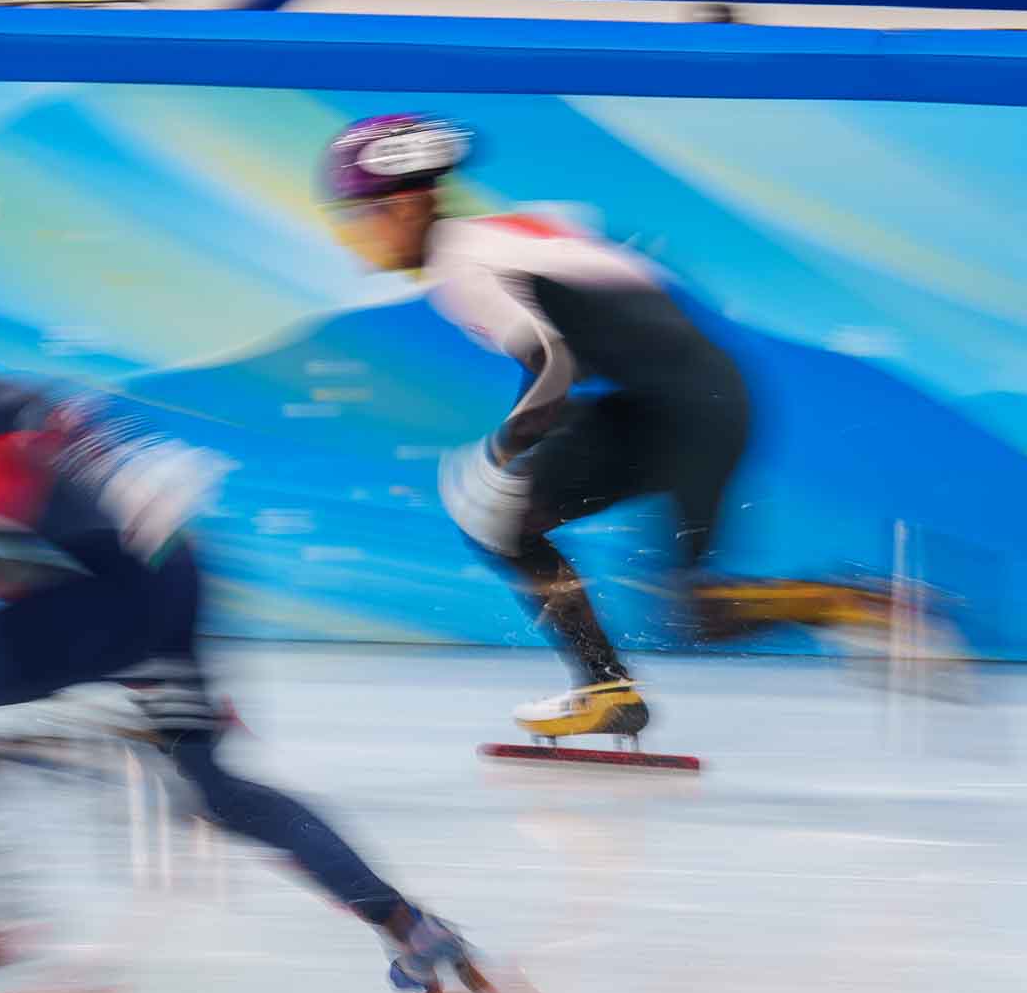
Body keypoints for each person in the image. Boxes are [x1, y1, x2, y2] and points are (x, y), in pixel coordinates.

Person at [0, 272, 492, 993]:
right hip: (157, 577)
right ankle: (409, 926)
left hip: (121, 587)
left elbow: (43, 407)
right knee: (212, 784)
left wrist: (121, 466)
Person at [319, 113, 896, 742]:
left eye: (357, 217)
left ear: (403, 207)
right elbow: (607, 319)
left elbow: (553, 366)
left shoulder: (463, 267)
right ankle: (831, 608)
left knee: (501, 516)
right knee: (682, 610)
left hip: (676, 408)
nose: (355, 237)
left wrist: (500, 450)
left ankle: (839, 604)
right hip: (687, 399)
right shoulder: (501, 235)